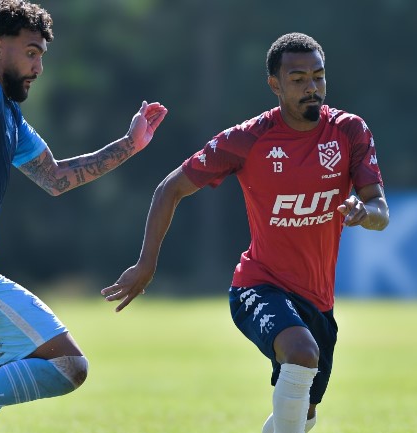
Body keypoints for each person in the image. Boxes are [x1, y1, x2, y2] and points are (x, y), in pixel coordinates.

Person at [102, 32, 389, 433]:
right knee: (301, 353)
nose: (312, 88)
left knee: (302, 414)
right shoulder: (248, 139)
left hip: (319, 301)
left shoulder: (349, 131)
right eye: (298, 78)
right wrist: (146, 264)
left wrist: (365, 211)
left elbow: (379, 208)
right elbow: (170, 189)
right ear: (275, 84)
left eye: (319, 77)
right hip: (259, 286)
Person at [0, 1, 167, 432]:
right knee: (68, 365)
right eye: (30, 52)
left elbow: (56, 177)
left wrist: (129, 144)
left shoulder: (7, 114)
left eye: (42, 55)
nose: (39, 66)